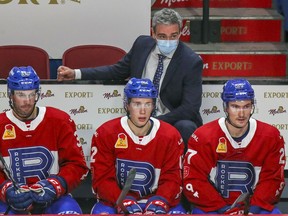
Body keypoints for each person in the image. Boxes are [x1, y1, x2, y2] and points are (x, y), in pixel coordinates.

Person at [57, 8, 203, 150]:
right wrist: (76, 73)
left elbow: (190, 108)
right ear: (153, 33)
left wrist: (156, 121)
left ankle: (184, 173)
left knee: (186, 126)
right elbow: (116, 71)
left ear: (180, 34)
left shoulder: (191, 61)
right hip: (137, 113)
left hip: (169, 118)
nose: (168, 41)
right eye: (162, 36)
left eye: (173, 36)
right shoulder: (142, 45)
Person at [183, 79, 286, 214]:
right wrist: (223, 209)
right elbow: (194, 179)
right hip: (214, 209)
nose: (241, 114)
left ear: (252, 106)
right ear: (225, 107)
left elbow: (273, 179)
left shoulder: (271, 137)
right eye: (235, 107)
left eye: (246, 106)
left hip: (255, 208)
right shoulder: (204, 136)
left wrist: (253, 209)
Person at [0, 66, 89, 214]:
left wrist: (56, 185)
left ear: (38, 93)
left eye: (31, 94)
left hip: (54, 199)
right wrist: (4, 188)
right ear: (10, 95)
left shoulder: (59, 120)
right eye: (21, 94)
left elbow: (77, 165)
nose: (27, 101)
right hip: (10, 201)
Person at [90, 78, 185, 214]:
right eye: (137, 104)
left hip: (158, 200)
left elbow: (173, 178)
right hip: (115, 201)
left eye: (148, 104)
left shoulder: (170, 135)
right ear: (127, 105)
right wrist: (122, 200)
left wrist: (160, 201)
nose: (143, 111)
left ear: (153, 106)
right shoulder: (106, 133)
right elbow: (102, 180)